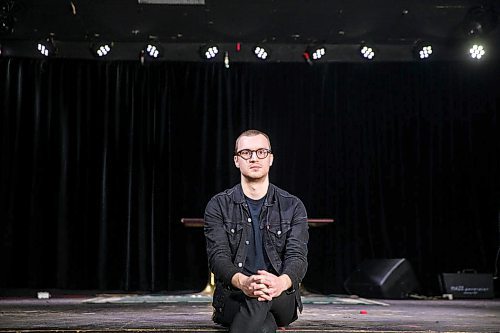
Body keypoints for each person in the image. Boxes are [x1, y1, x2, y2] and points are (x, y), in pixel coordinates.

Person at [204, 129, 309, 333]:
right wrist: (244, 283)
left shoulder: (293, 206)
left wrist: (280, 282)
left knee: (260, 295)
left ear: (270, 159)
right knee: (263, 324)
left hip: (281, 296)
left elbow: (298, 258)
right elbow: (218, 258)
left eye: (261, 152)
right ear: (236, 160)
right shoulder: (218, 205)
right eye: (246, 153)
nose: (254, 158)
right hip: (234, 296)